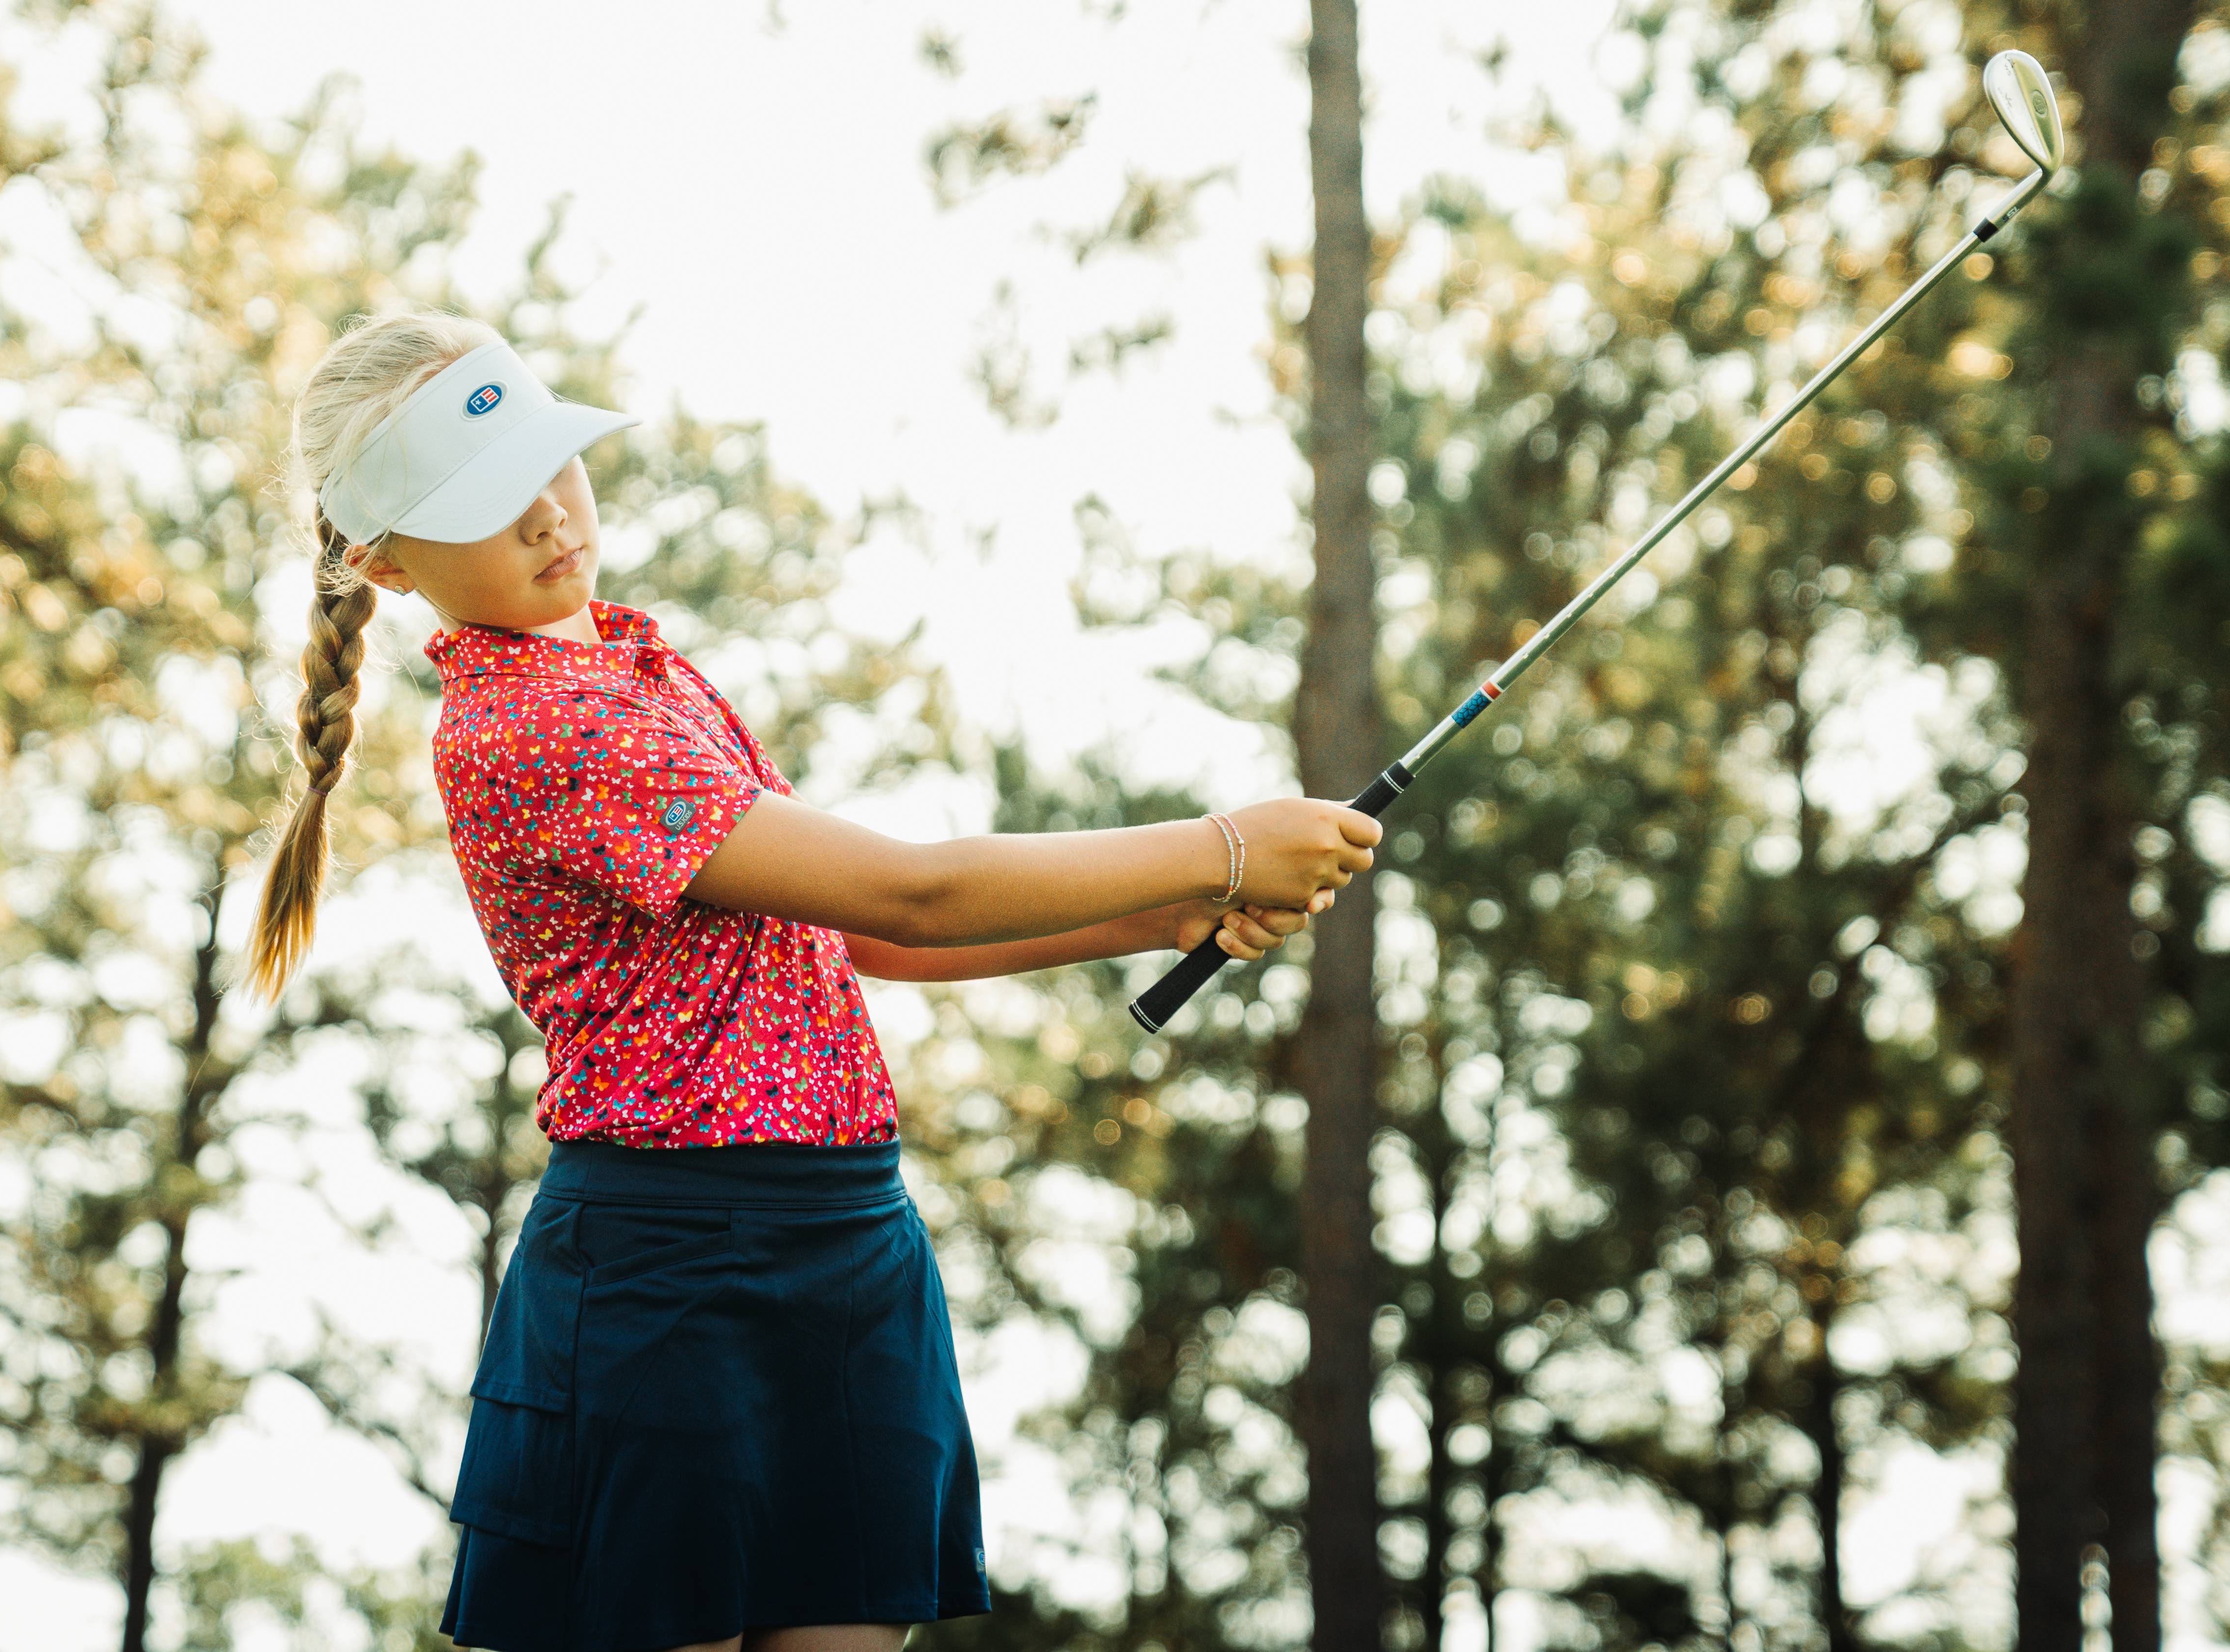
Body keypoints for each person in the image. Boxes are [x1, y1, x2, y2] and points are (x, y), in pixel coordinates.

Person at [243, 309, 1380, 1652]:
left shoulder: (633, 668)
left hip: (847, 1240)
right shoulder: (543, 723)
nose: (553, 512)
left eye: (556, 462)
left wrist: (1171, 912)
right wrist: (1222, 843)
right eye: (495, 500)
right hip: (667, 1272)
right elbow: (915, 888)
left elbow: (868, 941)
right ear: (382, 561)